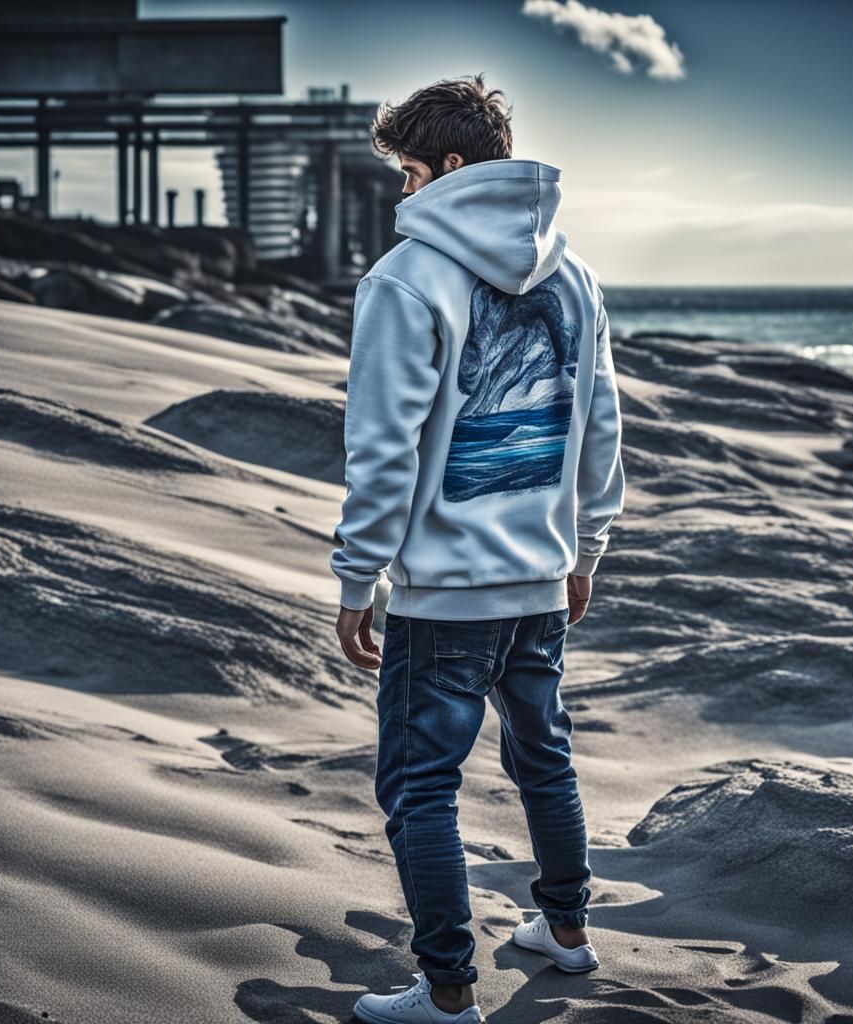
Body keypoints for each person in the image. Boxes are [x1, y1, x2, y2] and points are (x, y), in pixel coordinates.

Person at [330, 71, 626, 1024]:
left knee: (419, 784)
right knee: (544, 756)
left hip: (446, 594)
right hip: (540, 579)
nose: (402, 191)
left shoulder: (404, 278)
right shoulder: (575, 277)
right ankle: (567, 933)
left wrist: (357, 575)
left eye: (410, 173)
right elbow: (600, 429)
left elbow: (382, 449)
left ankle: (449, 990)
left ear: (451, 165)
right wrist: (585, 551)